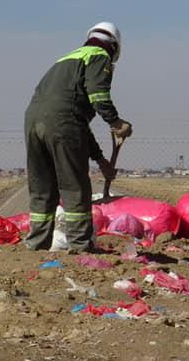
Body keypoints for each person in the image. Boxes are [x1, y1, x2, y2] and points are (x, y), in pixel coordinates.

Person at [23, 21, 133, 252]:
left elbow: (78, 124)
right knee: (75, 186)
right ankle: (81, 246)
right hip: (63, 122)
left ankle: (36, 245)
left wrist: (101, 160)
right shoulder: (99, 55)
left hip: (33, 120)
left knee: (42, 187)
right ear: (114, 46)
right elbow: (97, 95)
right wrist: (116, 122)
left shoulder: (67, 59)